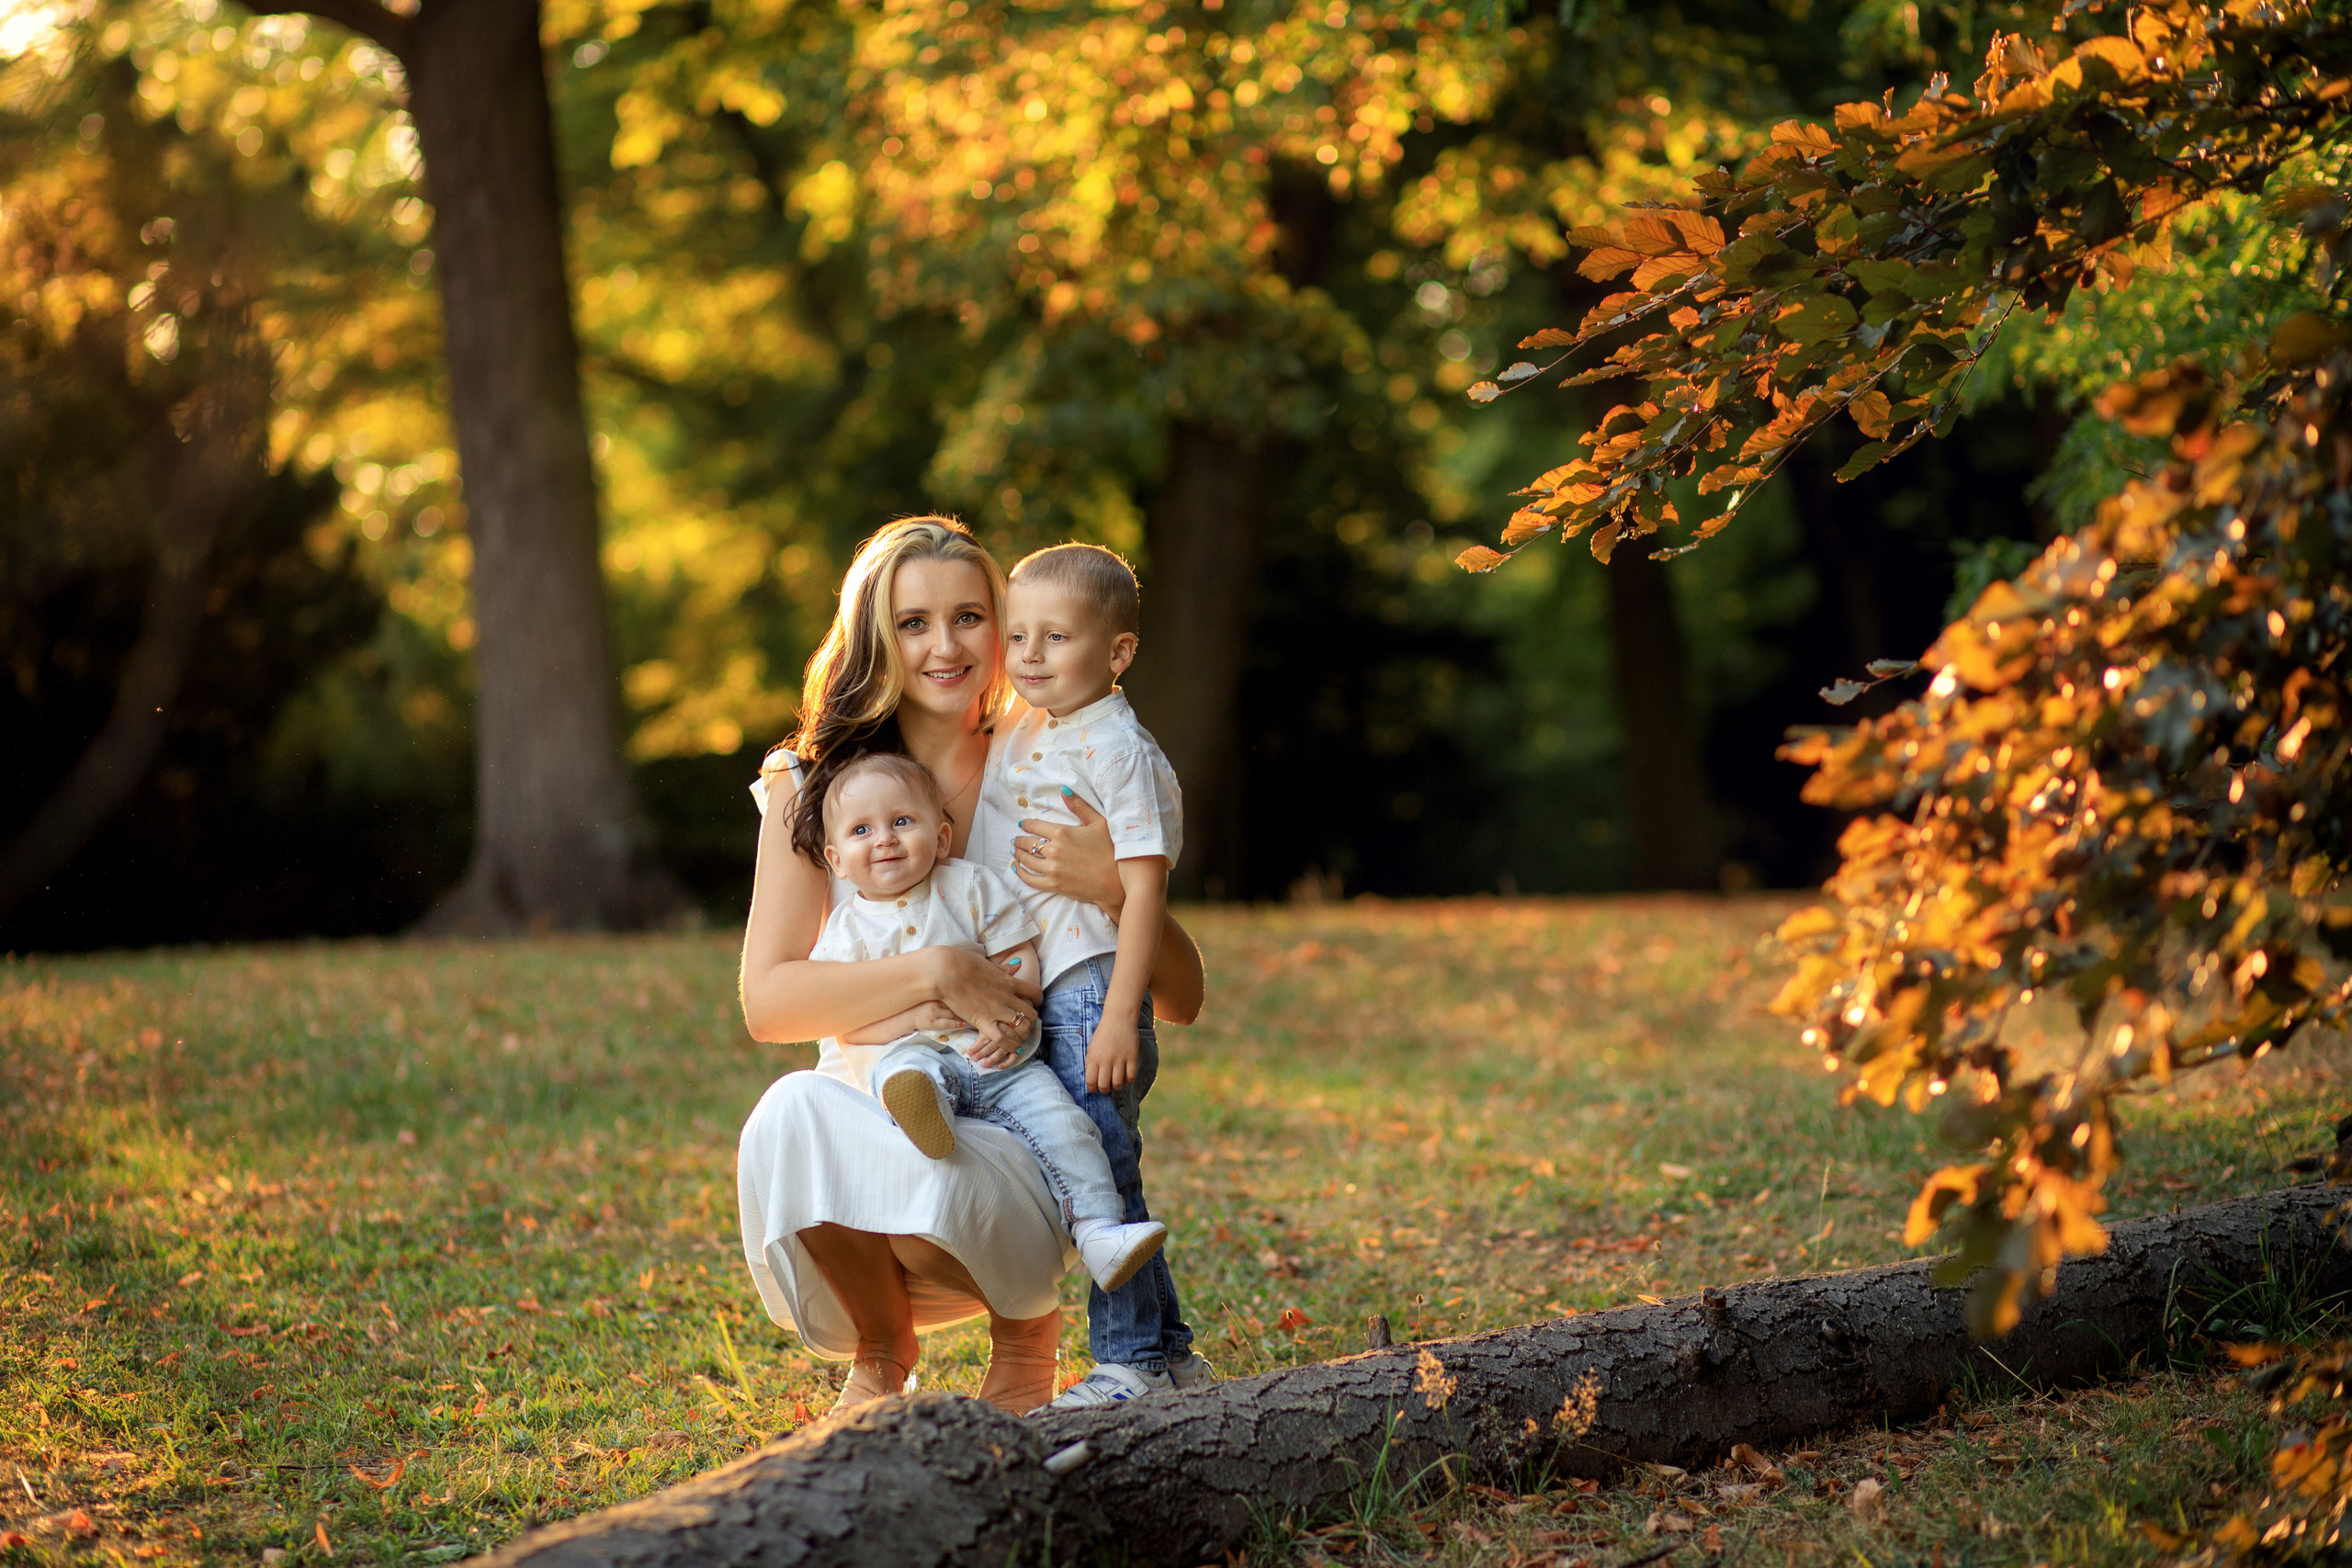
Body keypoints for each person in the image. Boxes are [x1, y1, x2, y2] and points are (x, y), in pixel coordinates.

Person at [735, 516, 1207, 1416]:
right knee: (790, 1111)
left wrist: (1112, 886)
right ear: (876, 636)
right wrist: (937, 973)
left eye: (969, 617)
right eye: (913, 622)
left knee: (960, 1153)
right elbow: (770, 1003)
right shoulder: (819, 787)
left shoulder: (1050, 753)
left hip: (1016, 1134)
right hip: (881, 1114)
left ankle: (1029, 1341)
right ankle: (883, 1349)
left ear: (1006, 625)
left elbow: (1181, 998)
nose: (944, 647)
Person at [969, 542, 1209, 1407]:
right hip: (1052, 984)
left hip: (1091, 987)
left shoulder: (1118, 747)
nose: (1029, 655)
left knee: (1104, 1176)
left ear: (1119, 652)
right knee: (1107, 1172)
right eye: (1018, 635)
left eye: (1057, 637)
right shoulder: (1031, 721)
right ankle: (1172, 1358)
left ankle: (1130, 1362)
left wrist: (1116, 1015)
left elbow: (1141, 891)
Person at [806, 750, 1170, 1292]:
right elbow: (849, 1027)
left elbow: (1018, 959)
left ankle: (1099, 1231)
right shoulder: (846, 932)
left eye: (902, 822)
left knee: (1067, 1125)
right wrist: (913, 1015)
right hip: (917, 1051)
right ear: (837, 860)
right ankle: (921, 1107)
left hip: (1002, 1059)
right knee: (901, 1070)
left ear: (942, 838)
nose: (884, 839)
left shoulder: (969, 885)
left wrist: (1015, 1018)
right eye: (863, 830)